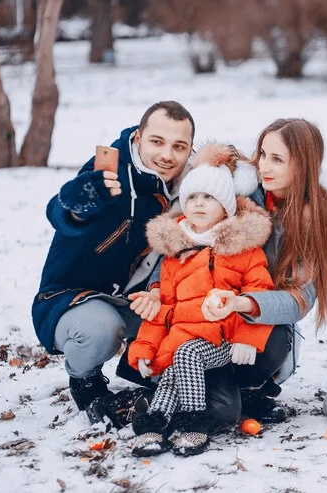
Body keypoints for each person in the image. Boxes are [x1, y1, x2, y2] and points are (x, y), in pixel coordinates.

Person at [31, 101, 195, 420]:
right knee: (102, 328)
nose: (167, 155)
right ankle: (85, 379)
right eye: (157, 142)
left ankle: (136, 368)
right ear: (137, 138)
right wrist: (75, 204)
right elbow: (62, 213)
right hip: (73, 298)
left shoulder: (191, 190)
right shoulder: (109, 174)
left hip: (146, 301)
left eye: (179, 146)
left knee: (188, 335)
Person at [200, 118, 327, 425]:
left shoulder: (318, 218)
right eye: (262, 154)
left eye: (277, 159)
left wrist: (244, 304)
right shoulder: (237, 194)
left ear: (304, 166)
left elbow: (300, 299)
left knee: (272, 343)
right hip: (205, 305)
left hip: (253, 315)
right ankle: (204, 388)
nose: (264, 167)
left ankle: (244, 389)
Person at [127, 144, 273, 457]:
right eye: (192, 197)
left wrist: (248, 337)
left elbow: (260, 293)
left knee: (187, 355)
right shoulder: (175, 252)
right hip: (181, 337)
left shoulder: (244, 249)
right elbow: (162, 311)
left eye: (209, 197)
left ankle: (194, 424)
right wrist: (145, 348)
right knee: (170, 371)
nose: (198, 204)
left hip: (223, 337)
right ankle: (154, 426)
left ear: (227, 207)